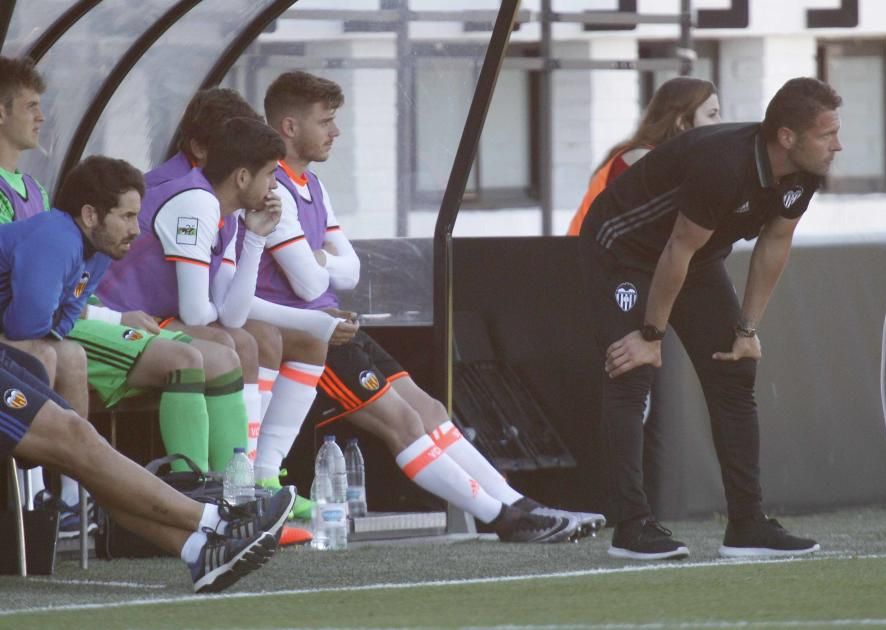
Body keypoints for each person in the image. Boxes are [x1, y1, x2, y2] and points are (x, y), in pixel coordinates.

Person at [252, 70, 602, 543]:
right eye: (325, 121)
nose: (335, 132)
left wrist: (320, 262)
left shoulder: (312, 184)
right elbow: (307, 278)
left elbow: (350, 270)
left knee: (431, 408)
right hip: (310, 332)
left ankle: (519, 505)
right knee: (404, 422)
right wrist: (322, 263)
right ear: (290, 127)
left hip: (338, 321)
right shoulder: (272, 188)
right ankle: (504, 520)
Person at [0, 156, 295, 592]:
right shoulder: (55, 236)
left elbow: (59, 324)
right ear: (89, 215)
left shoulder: (95, 251)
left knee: (82, 444)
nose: (137, 229)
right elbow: (29, 330)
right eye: (127, 216)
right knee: (77, 437)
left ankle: (199, 552)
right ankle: (216, 519)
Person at [580, 77, 841, 560]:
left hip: (694, 257)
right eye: (827, 135)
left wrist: (747, 330)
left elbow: (774, 244)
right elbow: (676, 245)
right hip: (624, 250)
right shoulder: (724, 164)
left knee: (736, 369)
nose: (837, 145)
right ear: (787, 137)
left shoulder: (803, 172)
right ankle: (632, 527)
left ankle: (747, 525)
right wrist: (651, 335)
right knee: (630, 367)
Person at [0, 55, 250, 504]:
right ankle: (179, 498)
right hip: (22, 329)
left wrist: (107, 317)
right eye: (31, 105)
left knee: (229, 351)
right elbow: (30, 301)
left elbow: (66, 287)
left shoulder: (34, 191)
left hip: (52, 321)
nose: (42, 116)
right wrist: (110, 321)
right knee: (172, 358)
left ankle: (234, 490)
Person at [96, 114, 330, 522]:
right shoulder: (197, 203)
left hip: (158, 318)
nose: (276, 185)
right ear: (242, 176)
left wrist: (256, 237)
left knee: (241, 339)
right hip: (122, 319)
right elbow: (197, 311)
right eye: (271, 174)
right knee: (226, 344)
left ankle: (243, 486)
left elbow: (230, 311)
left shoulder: (229, 213)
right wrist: (222, 313)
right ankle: (218, 490)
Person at [567, 77, 721, 237]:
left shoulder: (656, 156)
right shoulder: (641, 157)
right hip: (582, 256)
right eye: (712, 115)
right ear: (681, 122)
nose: (720, 122)